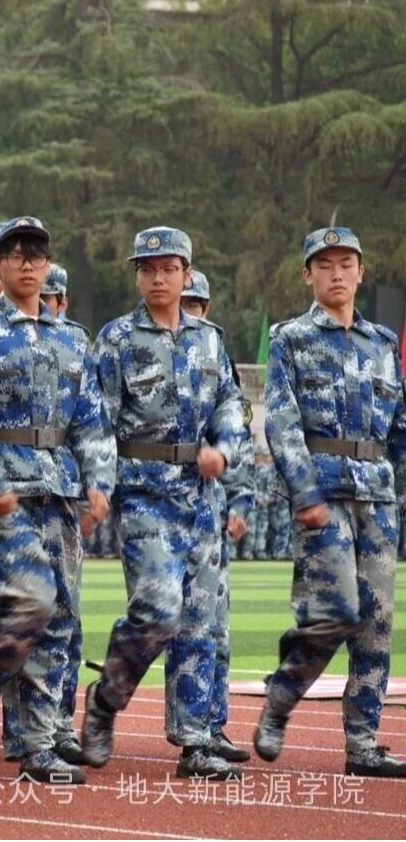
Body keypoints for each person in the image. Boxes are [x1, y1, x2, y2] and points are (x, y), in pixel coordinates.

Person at [80, 226, 248, 781]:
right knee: (157, 610)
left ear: (186, 274)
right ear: (137, 276)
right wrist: (98, 485)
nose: (158, 278)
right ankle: (106, 698)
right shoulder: (117, 340)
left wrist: (225, 449)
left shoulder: (209, 341)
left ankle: (195, 741)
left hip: (201, 496)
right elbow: (97, 420)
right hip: (145, 494)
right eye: (148, 269)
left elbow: (229, 403)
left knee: (199, 621)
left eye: (169, 268)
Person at [0, 218, 113, 784]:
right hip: (5, 489)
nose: (26, 262)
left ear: (48, 265)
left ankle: (35, 740)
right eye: (14, 253)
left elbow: (91, 419)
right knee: (24, 604)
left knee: (60, 612)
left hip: (59, 488)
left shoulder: (72, 339)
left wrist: (100, 480)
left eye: (36, 253)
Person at [253, 226, 406, 777]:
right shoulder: (291, 339)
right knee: (336, 610)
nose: (336, 273)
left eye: (346, 264)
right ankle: (283, 691)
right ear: (308, 274)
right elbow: (283, 424)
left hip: (377, 499)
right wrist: (304, 491)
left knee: (376, 622)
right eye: (325, 264)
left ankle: (363, 745)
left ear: (361, 272)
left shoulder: (382, 344)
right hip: (323, 494)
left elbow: (400, 428)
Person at [166, 270, 253, 763]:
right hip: (165, 505)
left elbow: (236, 443)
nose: (191, 310)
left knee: (214, 628)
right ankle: (188, 728)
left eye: (197, 303)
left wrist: (240, 502)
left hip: (210, 509)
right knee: (173, 622)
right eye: (187, 302)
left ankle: (212, 725)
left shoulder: (216, 360)